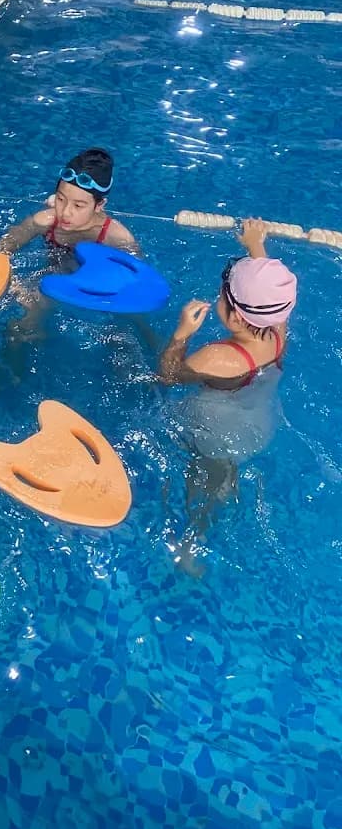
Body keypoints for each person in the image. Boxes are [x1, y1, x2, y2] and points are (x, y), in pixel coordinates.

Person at [158, 219, 297, 573]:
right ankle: (225, 490)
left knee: (199, 485)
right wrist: (256, 246)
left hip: (216, 435)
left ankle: (191, 547)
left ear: (234, 317)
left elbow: (168, 377)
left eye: (222, 296)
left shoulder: (219, 357)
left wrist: (181, 335)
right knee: (221, 474)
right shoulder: (277, 330)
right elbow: (269, 297)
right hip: (259, 424)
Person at [0, 148, 137, 257]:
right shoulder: (44, 222)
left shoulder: (118, 238)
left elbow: (138, 279)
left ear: (99, 205)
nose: (65, 212)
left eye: (78, 205)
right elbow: (1, 250)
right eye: (60, 199)